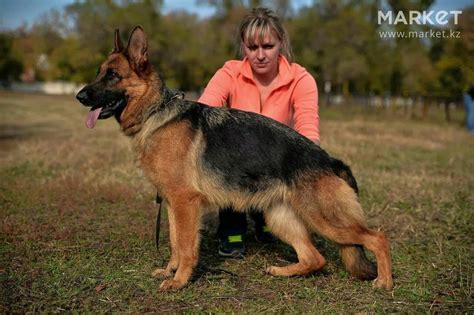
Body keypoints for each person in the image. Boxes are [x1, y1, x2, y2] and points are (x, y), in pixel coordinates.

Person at [198, 7, 320, 257]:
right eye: (252, 48)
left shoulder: (301, 79)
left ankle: (266, 223)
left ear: (280, 44)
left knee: (279, 221)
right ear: (243, 47)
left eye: (268, 46)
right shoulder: (229, 72)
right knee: (225, 162)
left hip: (277, 167)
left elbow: (308, 132)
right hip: (235, 166)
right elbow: (202, 111)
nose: (260, 55)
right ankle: (232, 231)